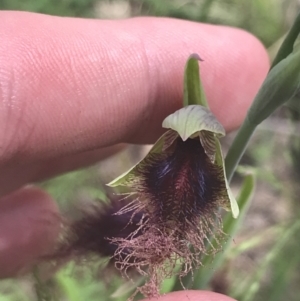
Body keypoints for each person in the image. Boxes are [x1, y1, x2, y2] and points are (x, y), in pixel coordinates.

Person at [0, 11, 269, 301]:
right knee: (128, 226)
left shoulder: (195, 160)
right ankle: (67, 255)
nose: (189, 138)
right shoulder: (176, 152)